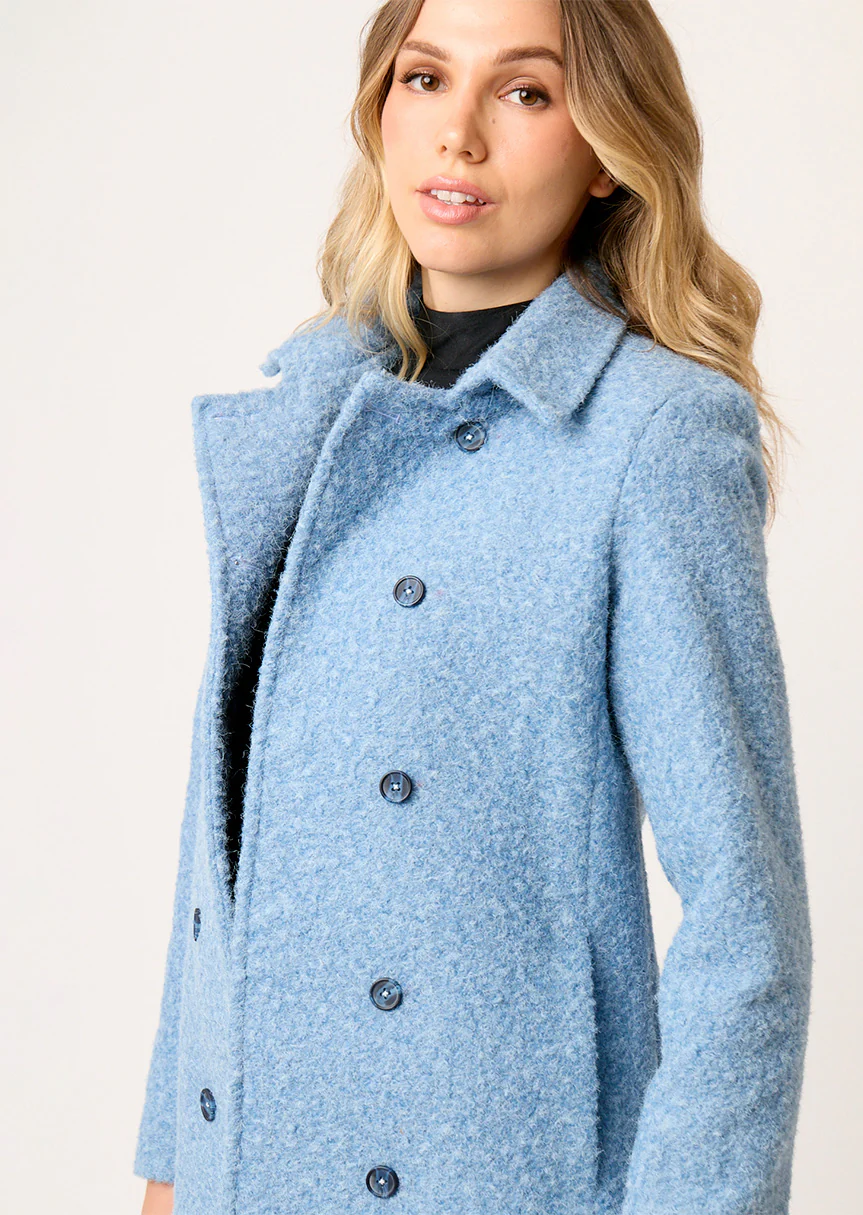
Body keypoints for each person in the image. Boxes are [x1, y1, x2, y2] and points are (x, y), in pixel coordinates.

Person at [136, 1, 813, 1212]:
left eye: (525, 91)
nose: (457, 133)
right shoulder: (318, 405)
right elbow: (225, 852)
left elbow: (745, 925)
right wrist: (176, 1166)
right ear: (378, 110)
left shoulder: (651, 438)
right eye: (424, 78)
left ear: (605, 151)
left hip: (499, 1174)